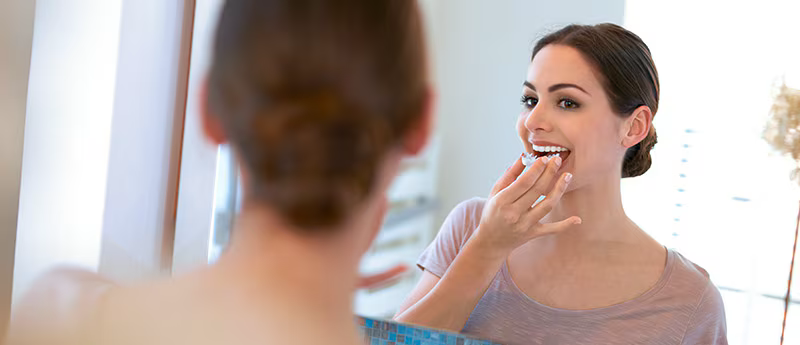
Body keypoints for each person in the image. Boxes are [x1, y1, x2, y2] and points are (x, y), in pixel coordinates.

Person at [6, 0, 431, 344]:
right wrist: (317, 283)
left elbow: (65, 297)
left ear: (209, 110)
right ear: (421, 124)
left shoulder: (59, 318)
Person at [394, 23, 727, 345]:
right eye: (530, 99)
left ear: (634, 127)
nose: (533, 122)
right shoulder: (471, 227)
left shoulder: (690, 300)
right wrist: (486, 248)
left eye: (567, 102)